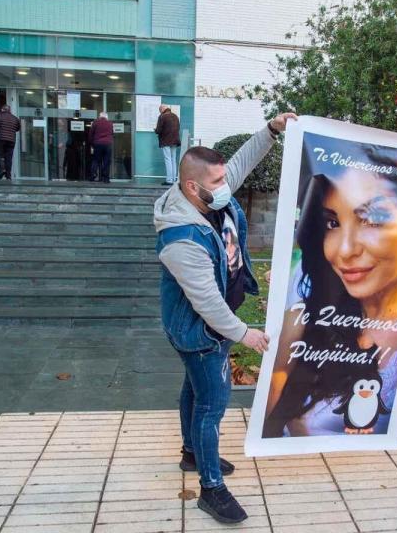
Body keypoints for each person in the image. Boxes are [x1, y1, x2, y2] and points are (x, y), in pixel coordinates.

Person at [154, 112, 297, 524]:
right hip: (200, 329)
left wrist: (272, 130)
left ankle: (191, 454)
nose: (225, 186)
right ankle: (211, 489)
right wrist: (245, 335)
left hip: (208, 321)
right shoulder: (180, 239)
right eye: (217, 183)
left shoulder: (206, 192)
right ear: (191, 186)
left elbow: (239, 164)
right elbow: (207, 304)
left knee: (194, 389)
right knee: (212, 405)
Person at [262, 146, 397, 438]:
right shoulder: (303, 321)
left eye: (372, 219)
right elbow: (269, 424)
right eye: (332, 223)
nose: (345, 250)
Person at [0, 105, 20, 180]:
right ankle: (8, 176)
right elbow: (18, 128)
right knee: (9, 158)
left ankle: (2, 170)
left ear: (2, 109)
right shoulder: (15, 118)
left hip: (1, 139)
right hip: (11, 140)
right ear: (10, 110)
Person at [155, 104, 181, 186]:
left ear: (162, 109)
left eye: (160, 110)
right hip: (175, 141)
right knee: (173, 159)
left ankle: (169, 180)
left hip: (166, 141)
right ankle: (174, 179)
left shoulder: (162, 116)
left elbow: (158, 130)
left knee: (168, 159)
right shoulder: (175, 116)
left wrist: (155, 130)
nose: (160, 112)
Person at [88, 112, 114, 183]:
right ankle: (106, 178)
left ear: (100, 116)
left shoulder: (95, 123)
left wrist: (92, 144)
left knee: (96, 160)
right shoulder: (110, 123)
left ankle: (93, 176)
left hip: (98, 144)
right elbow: (112, 133)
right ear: (106, 117)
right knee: (106, 161)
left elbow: (91, 134)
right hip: (108, 144)